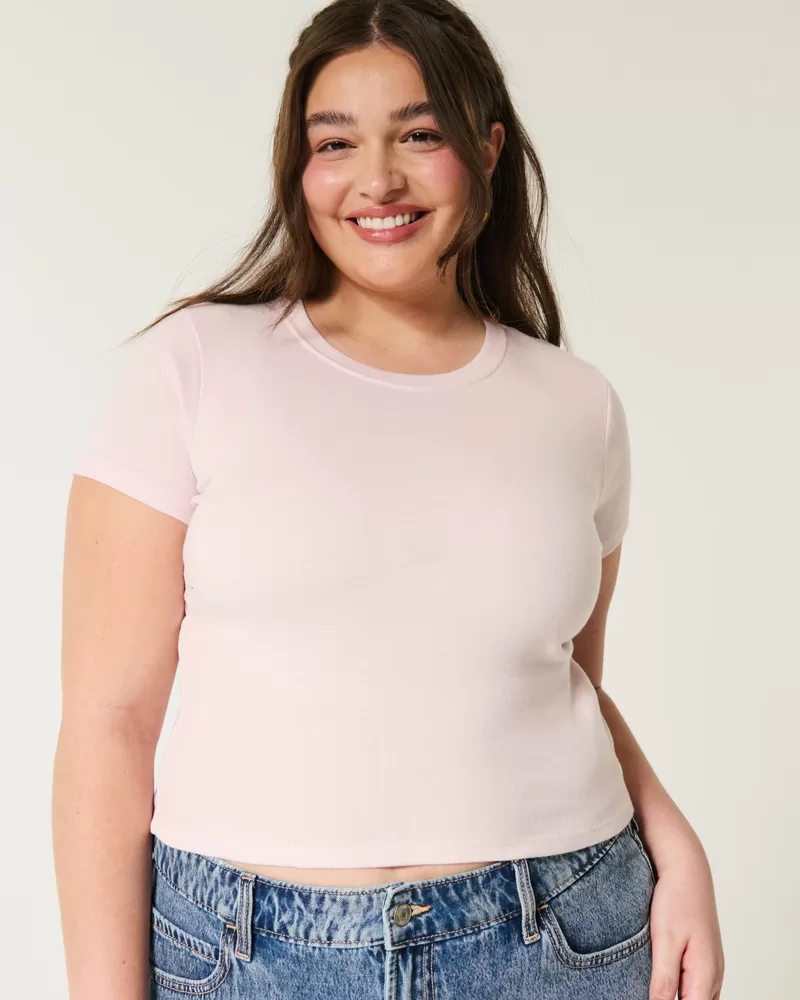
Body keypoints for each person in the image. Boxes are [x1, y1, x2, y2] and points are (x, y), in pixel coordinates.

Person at [52, 1, 724, 997]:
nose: (377, 180)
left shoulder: (576, 405)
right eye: (336, 142)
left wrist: (677, 846)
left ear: (486, 149)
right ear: (297, 165)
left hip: (559, 935)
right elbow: (107, 722)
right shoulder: (194, 367)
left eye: (419, 134)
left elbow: (561, 684)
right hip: (247, 951)